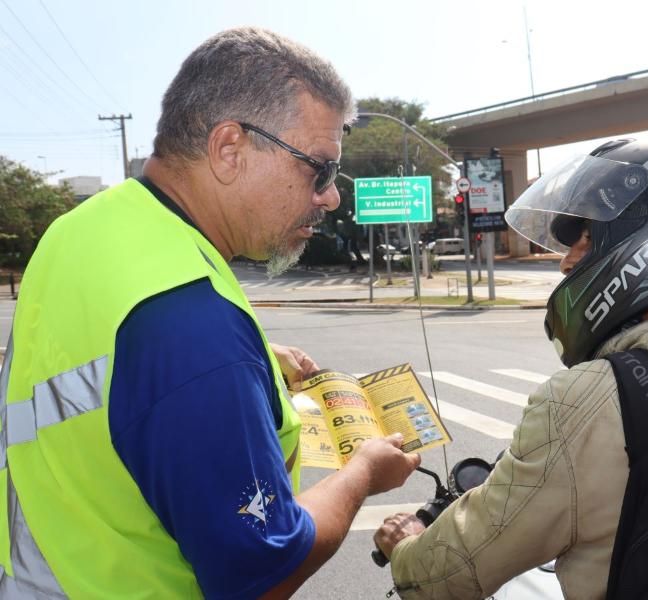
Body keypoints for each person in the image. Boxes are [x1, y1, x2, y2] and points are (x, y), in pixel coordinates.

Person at [0, 27, 420, 598]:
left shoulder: (81, 228)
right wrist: (364, 472)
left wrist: (255, 368)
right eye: (319, 168)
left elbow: (99, 369)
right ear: (229, 150)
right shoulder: (192, 326)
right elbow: (261, 577)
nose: (331, 196)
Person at [375, 132, 648, 599]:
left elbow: (448, 575)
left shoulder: (584, 398)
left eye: (587, 238)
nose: (567, 263)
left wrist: (406, 543)